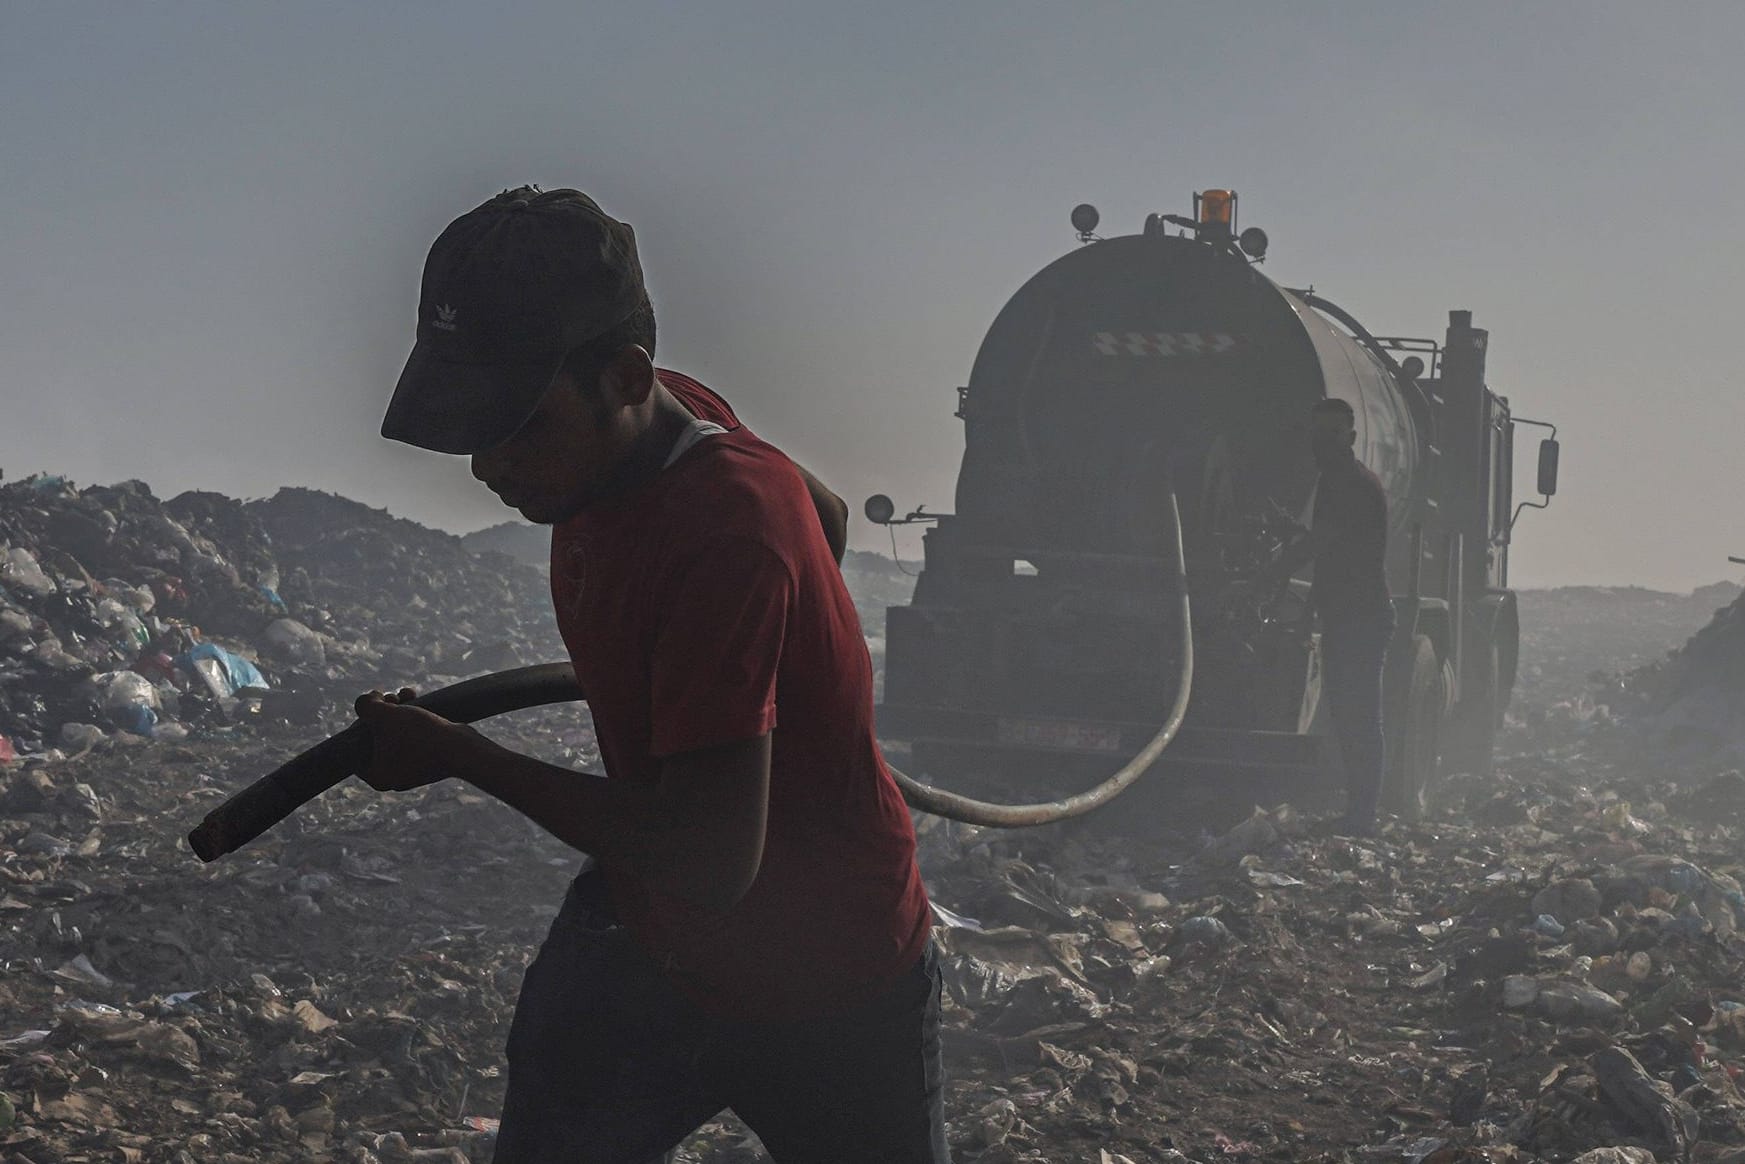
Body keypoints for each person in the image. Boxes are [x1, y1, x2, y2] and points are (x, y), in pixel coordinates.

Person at [356, 186, 947, 1163]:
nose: (486, 468)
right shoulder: (667, 416)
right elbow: (829, 518)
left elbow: (713, 862)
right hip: (647, 945)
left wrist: (460, 756)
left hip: (826, 977)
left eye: (522, 427)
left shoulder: (724, 532)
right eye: (475, 425)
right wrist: (730, 664)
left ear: (626, 379)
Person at [1261, 397, 1395, 835]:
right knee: (1348, 715)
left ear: (1351, 438)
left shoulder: (1351, 483)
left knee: (1358, 716)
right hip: (1347, 614)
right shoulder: (1336, 480)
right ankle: (1358, 813)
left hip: (1361, 617)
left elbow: (1327, 542)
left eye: (1333, 434)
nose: (1323, 442)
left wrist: (1275, 570)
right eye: (1318, 434)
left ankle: (1362, 816)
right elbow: (1330, 548)